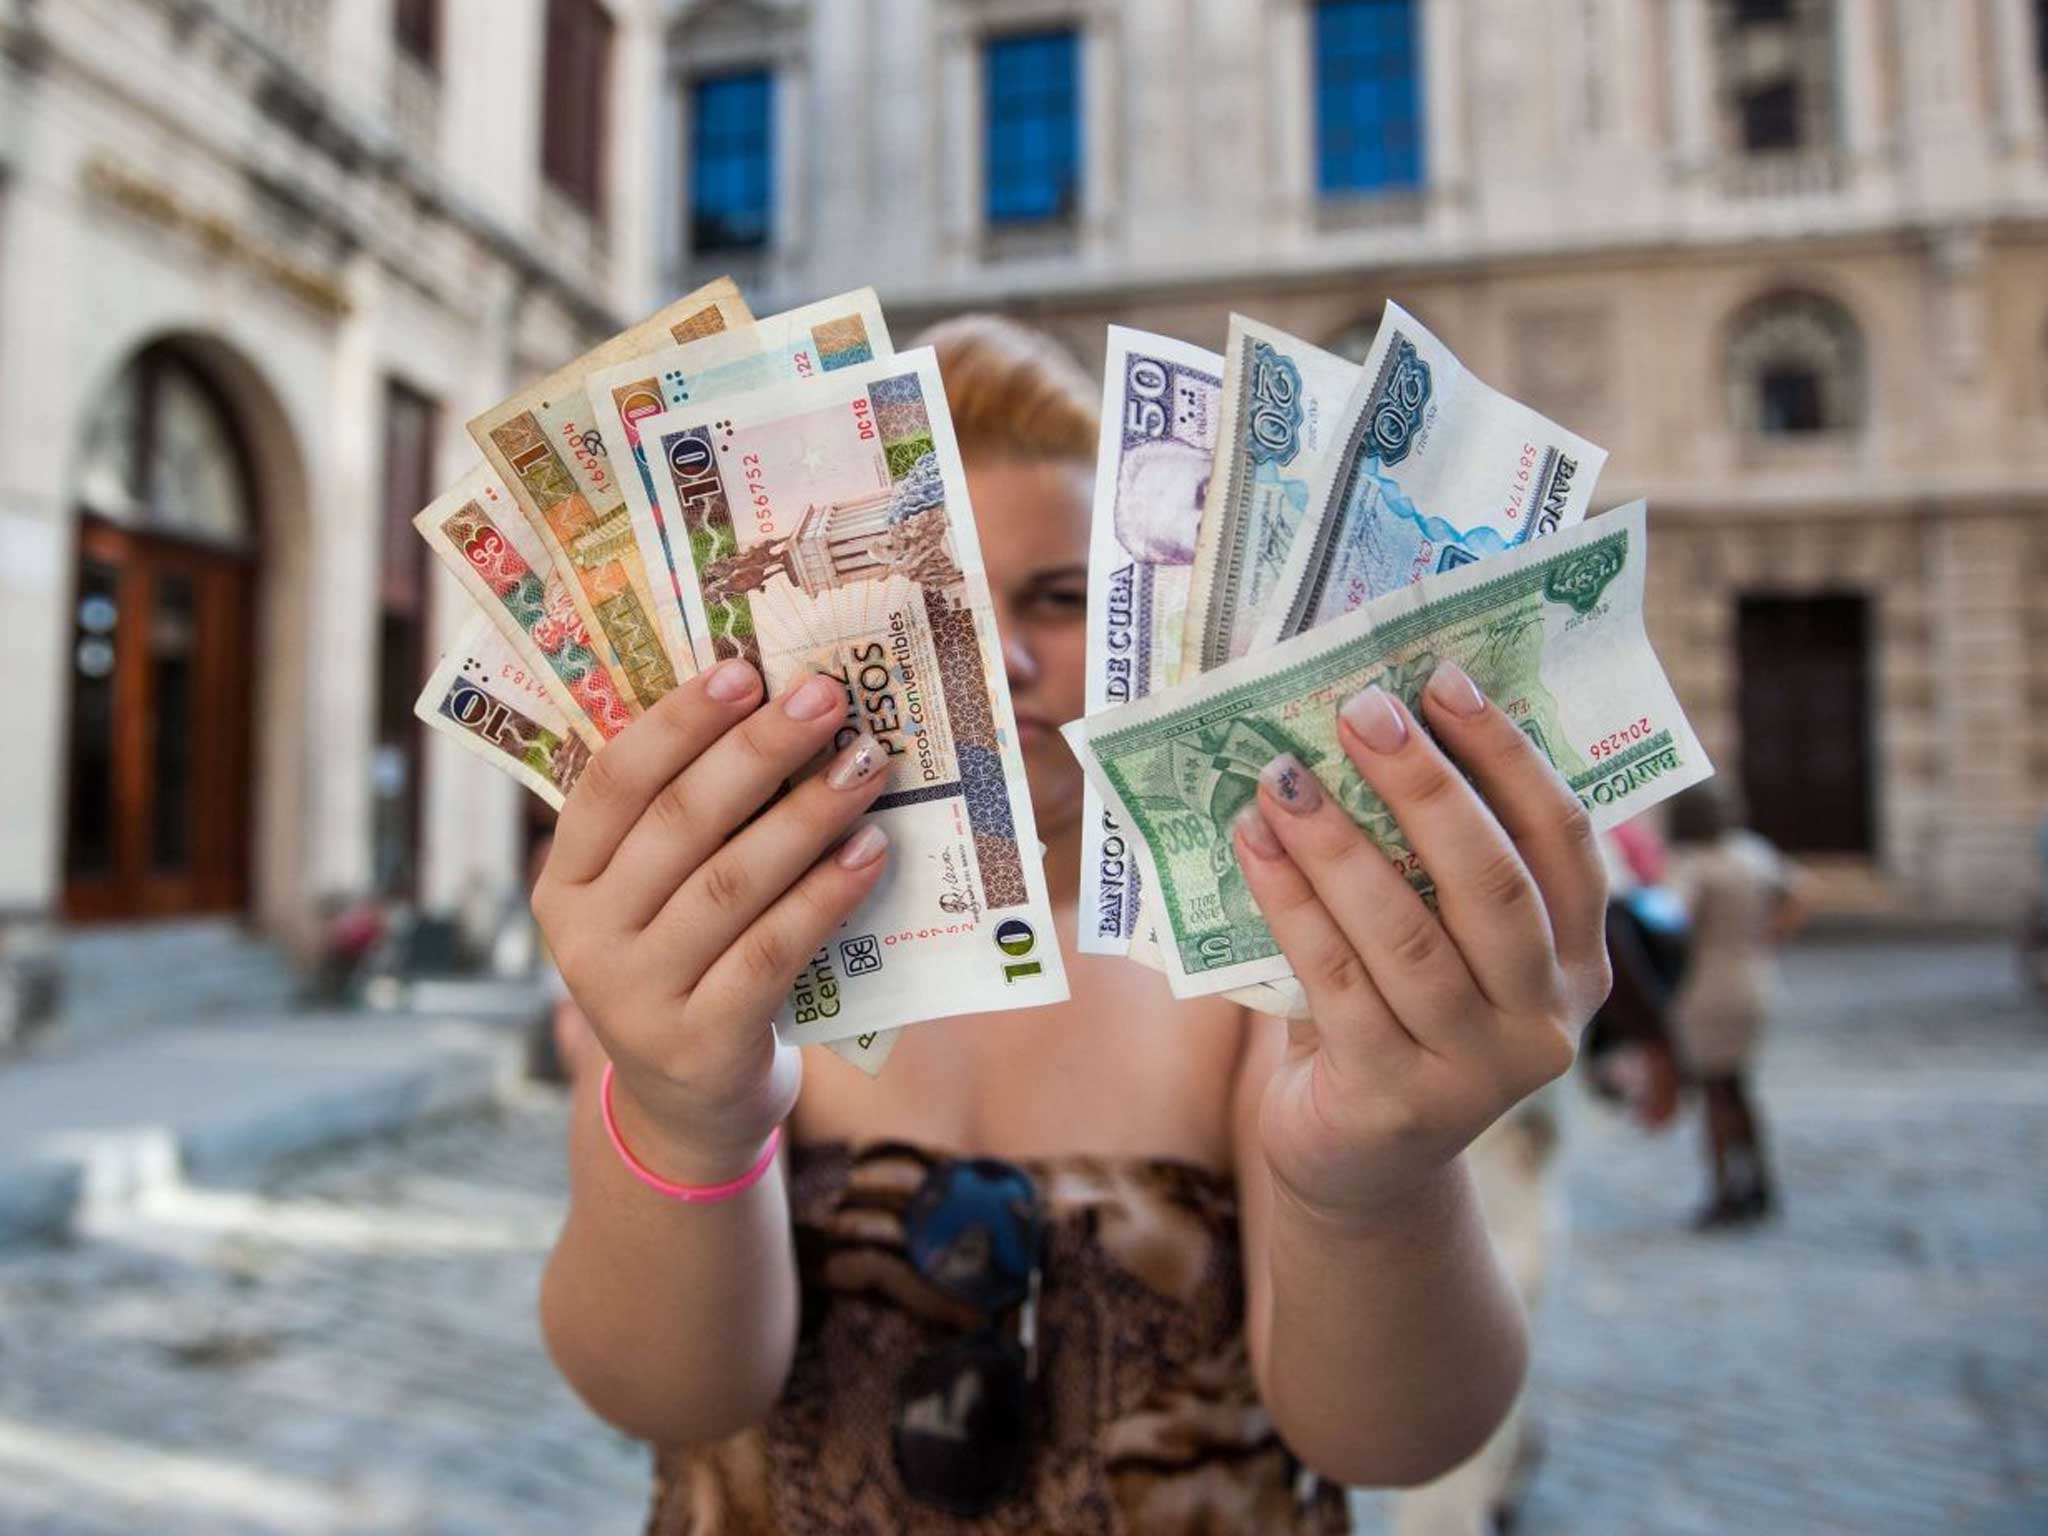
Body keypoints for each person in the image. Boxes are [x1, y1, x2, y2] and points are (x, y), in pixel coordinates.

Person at [534, 316, 1612, 1531]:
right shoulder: (705, 964)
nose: (996, 654)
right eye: (916, 594)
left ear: (1138, 625)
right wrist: (687, 1122)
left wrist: (1374, 1185)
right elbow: (660, 1388)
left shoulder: (1261, 958)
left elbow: (1387, 1434)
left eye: (1055, 599)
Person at [1664, 782, 1807, 1229]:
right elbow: (1803, 892)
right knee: (1738, 1087)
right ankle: (1760, 1182)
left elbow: (1671, 921)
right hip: (1756, 977)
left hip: (1708, 988)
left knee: (1714, 1092)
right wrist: (1771, 937)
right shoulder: (1752, 852)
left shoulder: (1693, 864)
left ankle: (1726, 1190)